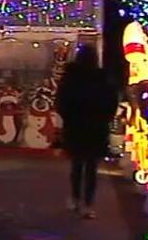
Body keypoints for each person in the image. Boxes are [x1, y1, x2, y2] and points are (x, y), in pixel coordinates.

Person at [56, 45, 116, 218]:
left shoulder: (71, 77)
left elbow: (61, 102)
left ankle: (75, 198)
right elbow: (111, 102)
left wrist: (69, 117)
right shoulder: (102, 79)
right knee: (91, 168)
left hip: (75, 127)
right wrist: (104, 118)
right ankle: (88, 204)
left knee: (77, 165)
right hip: (96, 128)